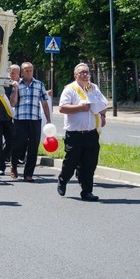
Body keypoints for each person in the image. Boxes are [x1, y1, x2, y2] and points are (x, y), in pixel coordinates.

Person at [57, 63, 108, 202]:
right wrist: (79, 107)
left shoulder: (93, 88)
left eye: (87, 72)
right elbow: (62, 108)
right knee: (71, 162)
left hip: (91, 132)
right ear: (75, 76)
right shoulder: (70, 89)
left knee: (90, 163)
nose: (85, 75)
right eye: (82, 73)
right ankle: (63, 179)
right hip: (74, 133)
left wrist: (103, 116)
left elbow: (103, 104)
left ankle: (87, 191)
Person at [10, 62, 52, 181]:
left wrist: (48, 120)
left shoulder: (39, 85)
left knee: (33, 147)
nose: (28, 73)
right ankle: (13, 165)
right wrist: (15, 89)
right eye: (26, 71)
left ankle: (28, 174)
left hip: (34, 120)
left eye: (30, 70)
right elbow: (13, 103)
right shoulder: (17, 85)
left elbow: (44, 102)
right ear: (22, 72)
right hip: (20, 119)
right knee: (18, 145)